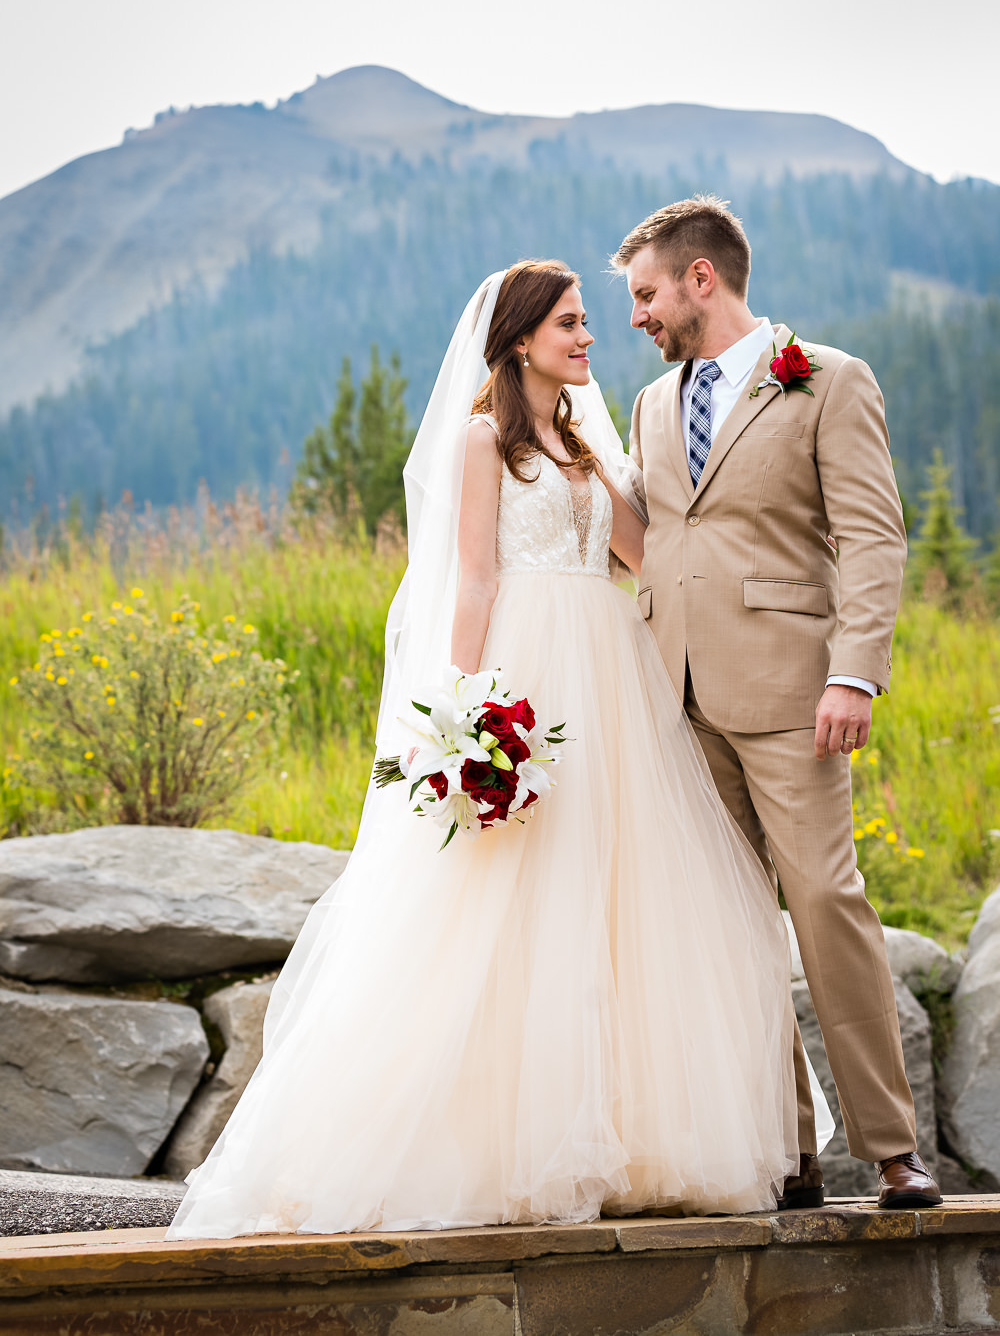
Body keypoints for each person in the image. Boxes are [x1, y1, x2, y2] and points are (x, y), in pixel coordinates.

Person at [167, 260, 806, 1240]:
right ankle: (497, 1145)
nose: (588, 336)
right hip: (529, 671)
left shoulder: (591, 439)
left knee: (620, 895)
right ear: (516, 340)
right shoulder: (482, 440)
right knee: (511, 903)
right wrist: (462, 713)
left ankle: (637, 1139)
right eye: (567, 324)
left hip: (616, 682)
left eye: (589, 321)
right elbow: (470, 579)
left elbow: (647, 551)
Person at [612, 197, 942, 1211]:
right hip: (675, 699)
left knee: (824, 907)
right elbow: (652, 537)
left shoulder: (828, 381)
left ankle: (890, 1150)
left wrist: (853, 672)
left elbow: (873, 538)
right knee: (722, 925)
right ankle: (780, 1155)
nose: (635, 317)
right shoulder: (648, 406)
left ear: (699, 279)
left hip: (794, 698)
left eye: (644, 294)